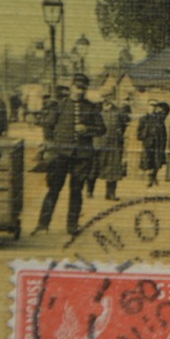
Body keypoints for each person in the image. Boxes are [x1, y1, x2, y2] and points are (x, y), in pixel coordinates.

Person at [35, 73, 103, 235]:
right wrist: (51, 144)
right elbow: (48, 126)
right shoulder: (60, 106)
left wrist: (88, 130)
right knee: (54, 189)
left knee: (76, 190)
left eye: (83, 89)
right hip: (60, 155)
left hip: (82, 156)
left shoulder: (91, 108)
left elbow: (102, 129)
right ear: (71, 87)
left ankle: (72, 226)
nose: (79, 91)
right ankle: (43, 225)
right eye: (77, 87)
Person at [94, 99, 130, 200]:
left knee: (113, 170)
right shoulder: (96, 112)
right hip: (99, 145)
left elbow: (122, 127)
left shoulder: (118, 113)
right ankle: (89, 191)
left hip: (114, 145)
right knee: (94, 168)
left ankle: (110, 193)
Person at [136, 100, 169, 186]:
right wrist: (145, 135)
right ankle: (150, 178)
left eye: (154, 106)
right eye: (150, 106)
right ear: (147, 107)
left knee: (157, 160)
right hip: (148, 143)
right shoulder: (143, 119)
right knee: (148, 161)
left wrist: (159, 104)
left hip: (158, 142)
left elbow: (167, 108)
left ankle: (153, 176)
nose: (152, 108)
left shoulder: (160, 117)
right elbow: (138, 133)